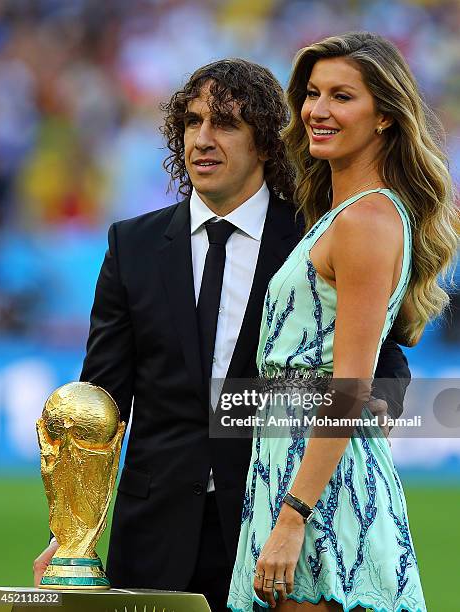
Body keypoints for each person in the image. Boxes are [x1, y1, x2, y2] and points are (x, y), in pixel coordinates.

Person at [33, 58, 412, 611]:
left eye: (226, 124)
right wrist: (70, 536)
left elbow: (386, 373)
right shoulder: (131, 246)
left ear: (265, 142)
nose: (202, 140)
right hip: (153, 531)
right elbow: (102, 401)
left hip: (271, 525)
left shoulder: (316, 239)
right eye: (191, 122)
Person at [227, 32, 458, 612]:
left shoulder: (366, 222)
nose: (318, 110)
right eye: (311, 93)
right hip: (295, 471)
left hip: (324, 494)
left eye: (341, 96)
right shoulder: (343, 216)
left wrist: (292, 516)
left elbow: (350, 389)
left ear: (383, 115)